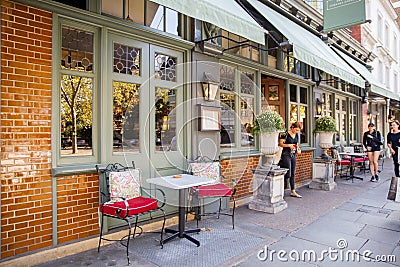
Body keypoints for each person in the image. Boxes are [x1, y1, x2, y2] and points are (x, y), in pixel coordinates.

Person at [278, 122, 302, 198]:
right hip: (286, 154)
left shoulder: (297, 135)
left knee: (293, 173)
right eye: (296, 130)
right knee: (287, 173)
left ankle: (293, 191)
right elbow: (280, 144)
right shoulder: (285, 134)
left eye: (298, 130)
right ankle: (280, 189)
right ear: (292, 127)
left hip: (293, 155)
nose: (296, 131)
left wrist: (298, 150)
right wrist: (289, 145)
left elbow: (296, 144)